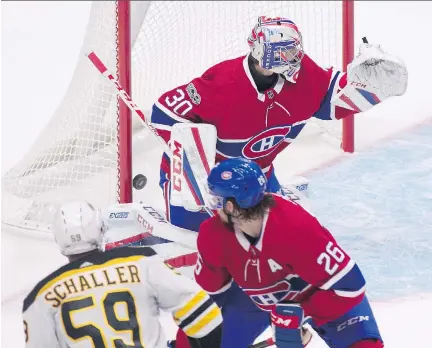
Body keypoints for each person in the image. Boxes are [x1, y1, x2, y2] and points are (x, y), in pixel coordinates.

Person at [193, 157, 383, 348]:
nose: (213, 207)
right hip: (255, 300)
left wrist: (300, 314)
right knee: (197, 339)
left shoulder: (296, 228)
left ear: (231, 206)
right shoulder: (212, 234)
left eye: (216, 200)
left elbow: (351, 287)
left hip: (322, 295)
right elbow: (209, 295)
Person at [22, 201, 223, 348]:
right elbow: (203, 313)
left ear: (57, 239)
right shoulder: (143, 263)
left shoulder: (40, 298)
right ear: (100, 230)